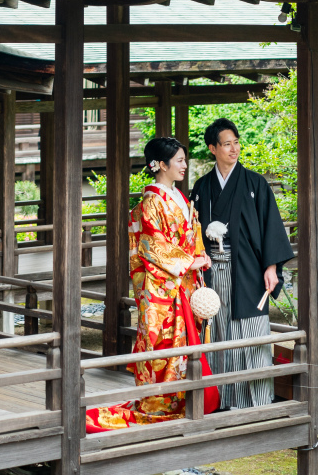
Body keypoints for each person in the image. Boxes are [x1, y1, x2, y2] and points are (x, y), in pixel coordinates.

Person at [85, 136, 212, 431]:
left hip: (183, 283)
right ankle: (160, 403)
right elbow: (151, 245)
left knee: (186, 341)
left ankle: (184, 400)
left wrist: (200, 256)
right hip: (163, 287)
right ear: (162, 165)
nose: (184, 165)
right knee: (164, 340)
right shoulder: (152, 201)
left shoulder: (178, 197)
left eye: (184, 160)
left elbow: (192, 235)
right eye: (179, 160)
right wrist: (189, 262)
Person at [190, 117, 294, 410]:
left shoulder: (255, 184)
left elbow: (270, 226)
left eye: (236, 143)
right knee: (216, 330)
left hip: (248, 272)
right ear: (213, 148)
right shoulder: (202, 187)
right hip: (211, 271)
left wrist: (271, 267)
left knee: (250, 330)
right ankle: (220, 401)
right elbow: (190, 232)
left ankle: (257, 403)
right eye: (227, 144)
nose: (234, 149)